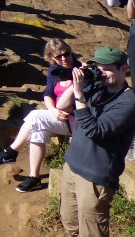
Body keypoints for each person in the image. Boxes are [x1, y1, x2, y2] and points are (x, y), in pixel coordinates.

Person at [56, 47, 135, 236]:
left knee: (92, 231)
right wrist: (79, 85)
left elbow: (95, 130)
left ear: (123, 69)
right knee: (70, 223)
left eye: (106, 69)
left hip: (95, 178)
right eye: (97, 68)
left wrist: (80, 95)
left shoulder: (129, 101)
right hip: (72, 167)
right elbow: (61, 106)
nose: (101, 74)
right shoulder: (97, 87)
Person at [0, 39, 79, 192]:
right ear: (51, 58)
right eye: (58, 56)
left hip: (76, 120)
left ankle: (11, 151)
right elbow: (48, 93)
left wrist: (59, 109)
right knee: (37, 130)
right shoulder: (55, 70)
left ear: (70, 51)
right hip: (58, 116)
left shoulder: (80, 70)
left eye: (66, 54)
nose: (63, 59)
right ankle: (34, 177)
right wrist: (52, 110)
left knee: (35, 116)